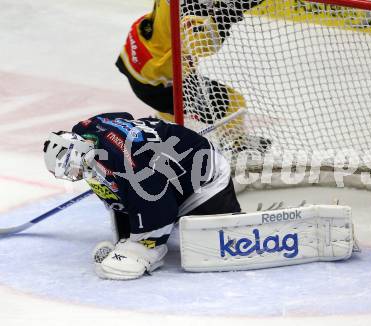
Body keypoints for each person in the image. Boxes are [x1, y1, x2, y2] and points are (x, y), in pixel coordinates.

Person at [43, 112, 241, 280]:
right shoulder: (84, 129)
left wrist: (146, 246)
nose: (76, 177)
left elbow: (158, 201)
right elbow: (123, 117)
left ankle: (147, 243)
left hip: (204, 178)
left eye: (75, 170)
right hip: (170, 167)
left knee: (225, 242)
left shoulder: (127, 161)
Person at [116, 0, 270, 153]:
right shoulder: (191, 7)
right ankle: (236, 146)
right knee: (233, 102)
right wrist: (227, 14)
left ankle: (160, 124)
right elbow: (202, 45)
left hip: (140, 53)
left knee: (176, 106)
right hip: (157, 82)